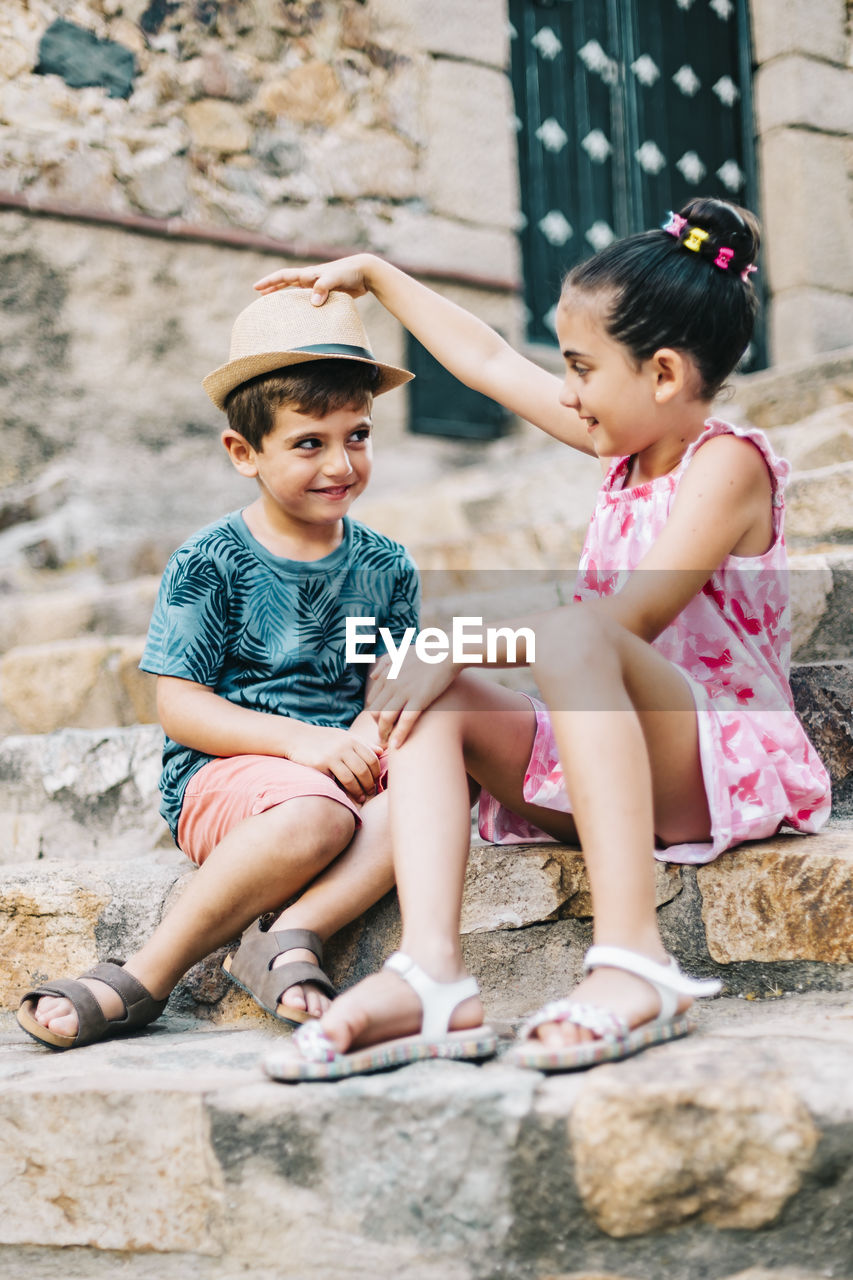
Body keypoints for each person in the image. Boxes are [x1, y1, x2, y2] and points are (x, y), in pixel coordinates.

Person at [254, 198, 832, 1082]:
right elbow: (488, 361)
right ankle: (432, 973)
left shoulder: (727, 465)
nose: (563, 392)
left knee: (553, 635)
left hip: (709, 758)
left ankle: (633, 959)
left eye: (580, 368)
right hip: (600, 746)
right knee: (430, 693)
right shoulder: (624, 450)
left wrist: (457, 640)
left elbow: (618, 625)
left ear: (665, 375)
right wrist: (376, 275)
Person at [16, 286, 453, 1054]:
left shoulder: (385, 566)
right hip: (236, 774)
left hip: (344, 767)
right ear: (243, 452)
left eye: (357, 435)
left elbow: (395, 681)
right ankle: (150, 973)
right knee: (317, 813)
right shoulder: (210, 563)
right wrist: (304, 745)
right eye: (309, 443)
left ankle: (288, 935)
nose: (341, 463)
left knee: (431, 785)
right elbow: (181, 709)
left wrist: (364, 731)